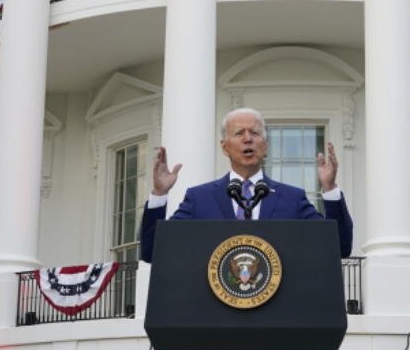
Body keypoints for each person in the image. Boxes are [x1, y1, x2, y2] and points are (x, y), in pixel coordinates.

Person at [139, 107, 354, 262]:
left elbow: (339, 247)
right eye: (239, 133)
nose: (248, 139)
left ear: (265, 145)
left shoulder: (292, 198)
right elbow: (152, 251)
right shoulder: (199, 199)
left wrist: (330, 189)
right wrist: (159, 194)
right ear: (225, 147)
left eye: (255, 133)